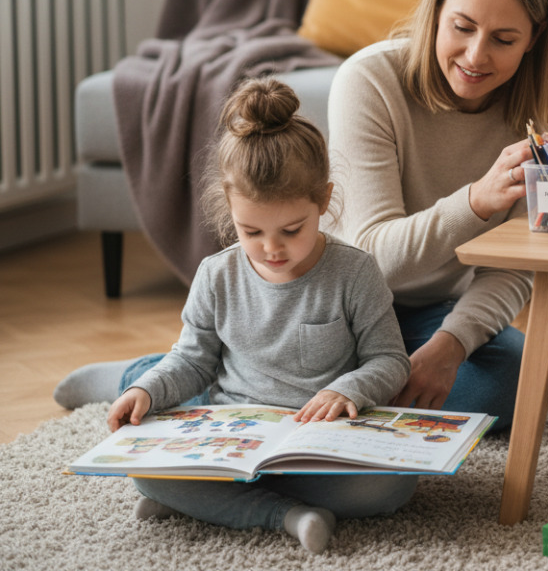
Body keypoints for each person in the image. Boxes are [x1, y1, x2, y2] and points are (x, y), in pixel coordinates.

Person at [80, 78, 411, 553]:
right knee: (144, 473)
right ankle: (286, 516)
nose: (272, 248)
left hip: (317, 445)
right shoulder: (216, 274)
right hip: (232, 440)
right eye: (251, 230)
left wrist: (346, 389)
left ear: (323, 199)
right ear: (228, 209)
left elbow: (390, 361)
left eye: (291, 230)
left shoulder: (354, 271)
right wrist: (146, 389)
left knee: (389, 487)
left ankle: (210, 504)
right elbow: (192, 361)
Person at [325, 0, 548, 430]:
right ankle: (143, 374)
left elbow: (518, 263)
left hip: (434, 312)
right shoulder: (370, 81)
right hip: (340, 304)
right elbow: (371, 257)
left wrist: (451, 344)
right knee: (271, 373)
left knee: (519, 383)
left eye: (504, 40)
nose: (476, 56)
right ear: (435, 12)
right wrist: (477, 202)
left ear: (534, 38)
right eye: (462, 27)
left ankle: (370, 387)